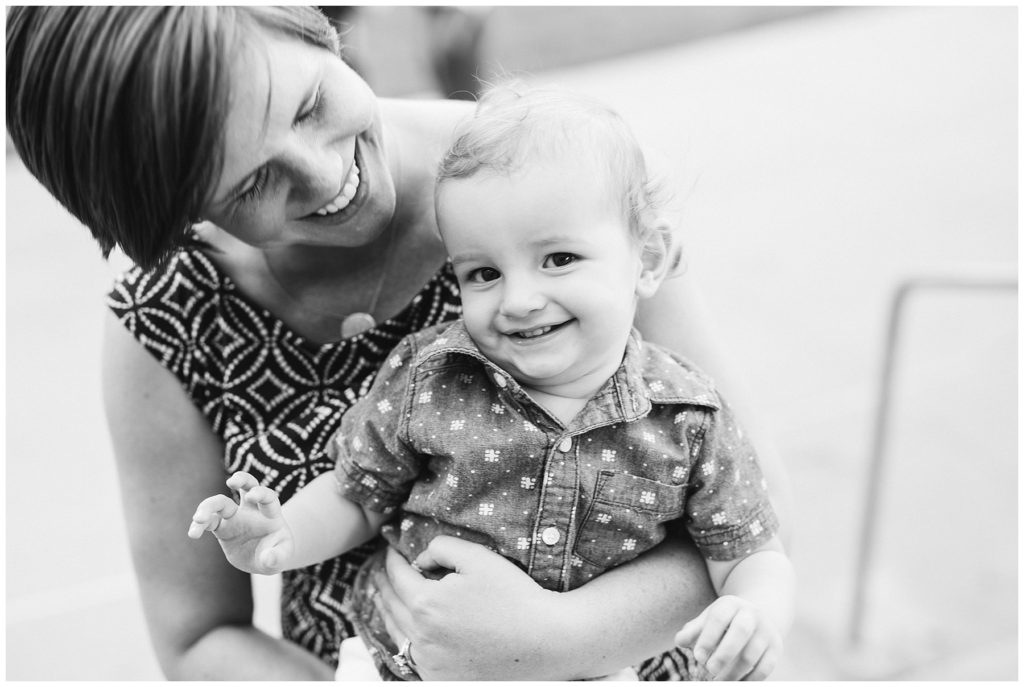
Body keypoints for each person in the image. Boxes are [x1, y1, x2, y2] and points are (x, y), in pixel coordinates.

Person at [6, 6, 791, 681]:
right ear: (175, 214)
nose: (323, 178)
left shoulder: (560, 183)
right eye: (248, 185)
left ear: (317, 27)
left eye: (309, 103)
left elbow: (752, 516)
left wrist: (544, 641)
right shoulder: (165, 312)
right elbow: (198, 638)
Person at [189, 84, 795, 681]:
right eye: (484, 272)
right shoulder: (431, 376)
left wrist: (755, 610)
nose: (520, 300)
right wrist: (284, 536)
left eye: (558, 259)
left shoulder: (689, 417)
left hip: (597, 670)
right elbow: (356, 496)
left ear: (651, 259)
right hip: (406, 665)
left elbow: (749, 549)